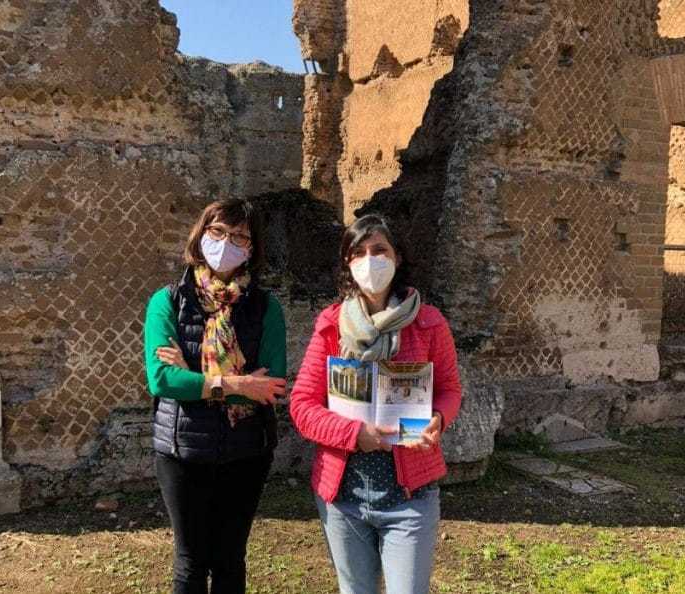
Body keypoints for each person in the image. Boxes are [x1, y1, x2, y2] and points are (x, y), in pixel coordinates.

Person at [290, 214, 463, 594]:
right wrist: (356, 434)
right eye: (359, 253)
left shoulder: (429, 323)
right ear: (348, 264)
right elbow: (302, 406)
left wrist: (438, 418)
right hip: (343, 497)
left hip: (410, 496)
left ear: (397, 257)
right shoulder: (331, 326)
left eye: (379, 250)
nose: (370, 261)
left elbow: (450, 389)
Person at [143, 197, 287, 594]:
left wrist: (195, 378)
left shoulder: (265, 307)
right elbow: (161, 380)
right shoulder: (167, 301)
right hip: (182, 452)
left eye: (240, 236)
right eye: (218, 232)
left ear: (252, 249)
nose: (227, 243)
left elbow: (271, 386)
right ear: (201, 234)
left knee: (229, 560)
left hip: (246, 452)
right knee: (190, 562)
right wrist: (237, 384)